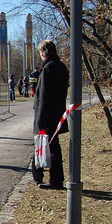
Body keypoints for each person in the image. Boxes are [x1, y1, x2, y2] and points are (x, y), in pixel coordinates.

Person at [32, 40, 69, 190]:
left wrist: (41, 120)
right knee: (53, 148)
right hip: (57, 113)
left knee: (48, 147)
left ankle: (50, 178)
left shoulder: (48, 69)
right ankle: (53, 177)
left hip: (47, 115)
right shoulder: (61, 67)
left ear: (43, 53)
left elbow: (44, 97)